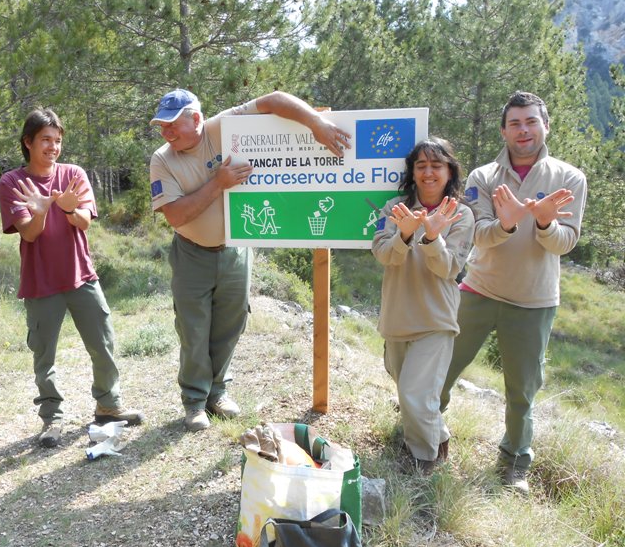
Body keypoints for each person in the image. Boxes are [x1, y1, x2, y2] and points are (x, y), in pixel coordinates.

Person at [149, 89, 351, 431]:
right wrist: (218, 184)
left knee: (231, 323)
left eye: (172, 125)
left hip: (235, 251)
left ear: (196, 120)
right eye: (161, 126)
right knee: (194, 329)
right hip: (191, 253)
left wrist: (315, 122)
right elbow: (175, 216)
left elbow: (273, 100)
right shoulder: (163, 158)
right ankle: (195, 402)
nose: (166, 133)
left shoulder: (221, 128)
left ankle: (218, 392)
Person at [440, 91, 587, 494]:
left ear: (546, 125)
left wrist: (543, 225)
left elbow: (565, 243)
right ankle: (426, 435)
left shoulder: (569, 178)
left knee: (522, 389)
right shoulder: (484, 177)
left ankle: (514, 463)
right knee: (442, 367)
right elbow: (479, 238)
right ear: (504, 130)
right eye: (515, 123)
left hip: (534, 300)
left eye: (531, 122)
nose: (524, 131)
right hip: (479, 289)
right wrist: (505, 224)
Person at [0, 108, 143, 448]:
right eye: (45, 140)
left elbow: (84, 222)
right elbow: (30, 234)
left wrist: (64, 205)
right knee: (44, 355)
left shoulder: (73, 174)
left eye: (58, 140)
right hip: (41, 281)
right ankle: (52, 420)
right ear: (28, 142)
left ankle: (108, 405)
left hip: (82, 276)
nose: (53, 147)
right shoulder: (12, 182)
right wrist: (43, 208)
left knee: (103, 343)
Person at [372, 137, 474, 473]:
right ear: (413, 173)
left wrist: (432, 237)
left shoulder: (460, 216)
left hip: (436, 320)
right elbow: (384, 256)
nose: (428, 172)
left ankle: (424, 463)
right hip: (397, 317)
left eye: (436, 165)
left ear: (449, 172)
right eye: (421, 165)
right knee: (409, 393)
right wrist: (403, 234)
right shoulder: (393, 209)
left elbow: (448, 269)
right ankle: (439, 436)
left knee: (416, 398)